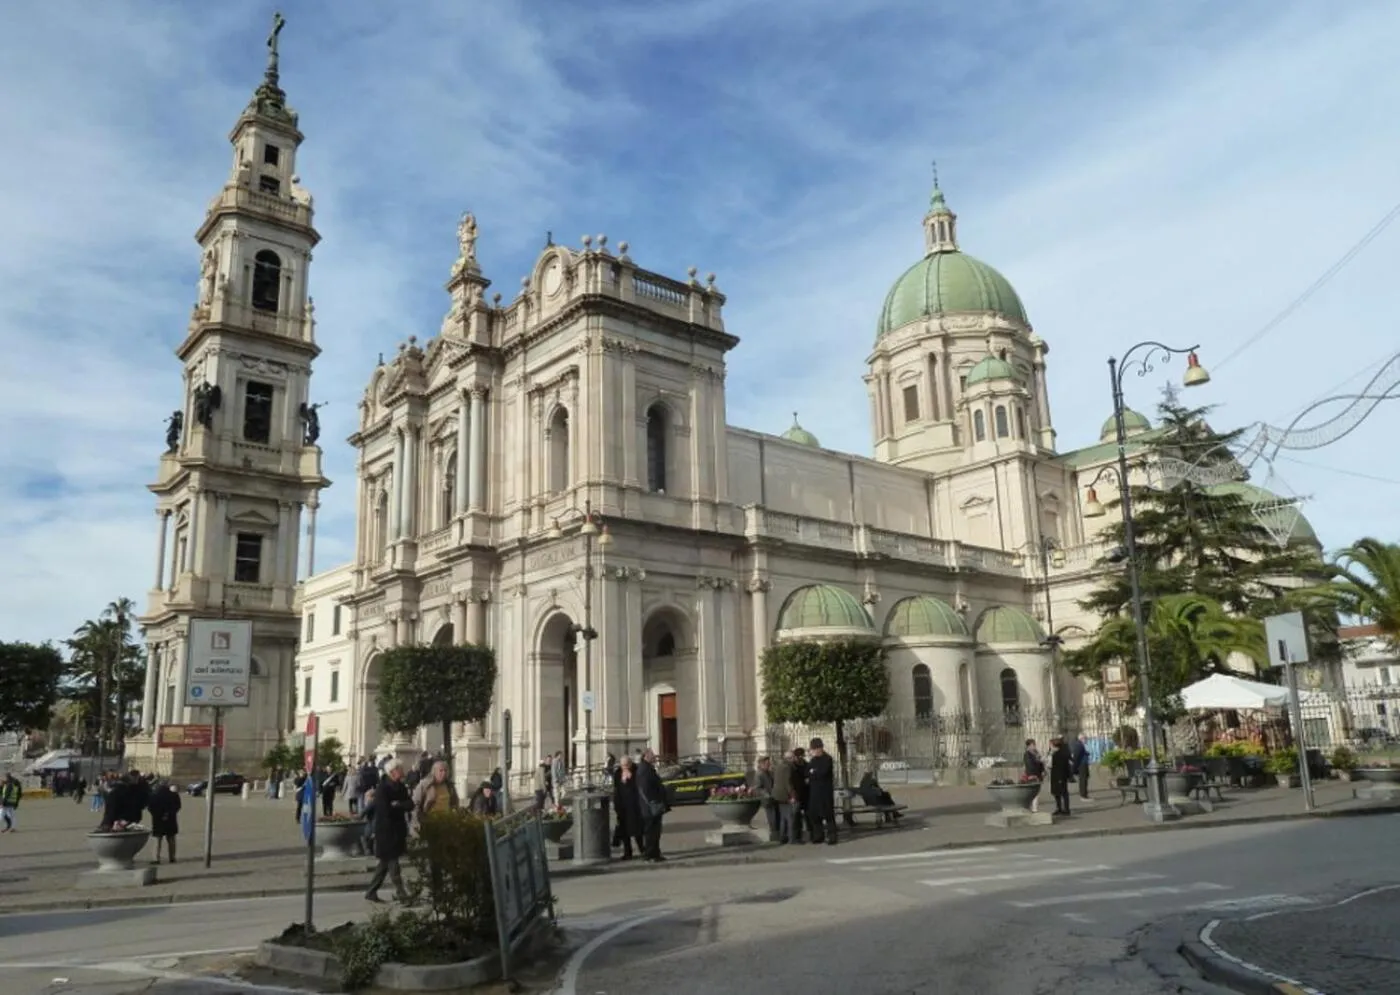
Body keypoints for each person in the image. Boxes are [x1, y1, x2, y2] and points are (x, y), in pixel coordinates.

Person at [365, 762, 413, 903]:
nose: (402, 771)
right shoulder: (383, 788)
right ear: (393, 771)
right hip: (386, 831)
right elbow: (385, 810)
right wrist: (399, 806)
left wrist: (398, 804)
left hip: (398, 830)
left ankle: (371, 891)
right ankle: (402, 894)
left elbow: (410, 804)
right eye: (400, 769)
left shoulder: (401, 786)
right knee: (393, 865)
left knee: (384, 865)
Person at [635, 748, 668, 863]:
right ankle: (649, 854)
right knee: (651, 832)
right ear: (646, 756)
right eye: (652, 755)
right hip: (650, 806)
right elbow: (645, 789)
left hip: (650, 805)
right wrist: (654, 800)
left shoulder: (647, 768)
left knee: (655, 831)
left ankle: (655, 853)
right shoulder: (645, 769)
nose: (654, 757)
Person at [805, 738, 838, 846]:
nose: (813, 751)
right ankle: (818, 836)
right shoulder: (813, 760)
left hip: (825, 792)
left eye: (814, 749)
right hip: (814, 792)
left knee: (828, 814)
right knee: (815, 815)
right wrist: (813, 773)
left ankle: (832, 836)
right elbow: (808, 773)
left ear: (820, 748)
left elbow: (822, 773)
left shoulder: (827, 759)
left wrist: (813, 773)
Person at [611, 756, 644, 858]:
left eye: (626, 765)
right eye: (622, 765)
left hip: (634, 806)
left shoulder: (636, 771)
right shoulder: (618, 773)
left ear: (630, 764)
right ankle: (627, 852)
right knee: (624, 831)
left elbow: (638, 787)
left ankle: (642, 849)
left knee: (637, 830)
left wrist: (630, 780)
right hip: (622, 806)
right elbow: (616, 789)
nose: (624, 767)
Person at [148, 781, 182, 863]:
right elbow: (178, 806)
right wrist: (169, 814)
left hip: (157, 819)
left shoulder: (154, 795)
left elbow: (150, 807)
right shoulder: (174, 795)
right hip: (171, 819)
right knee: (171, 839)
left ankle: (156, 858)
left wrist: (157, 814)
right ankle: (172, 857)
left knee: (157, 839)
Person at [1049, 736, 1073, 816]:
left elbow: (1062, 767)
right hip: (1055, 776)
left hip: (1060, 777)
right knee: (1057, 793)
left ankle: (1066, 809)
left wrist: (1061, 778)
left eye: (1051, 745)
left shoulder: (1060, 754)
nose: (1050, 747)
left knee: (1063, 793)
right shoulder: (1054, 754)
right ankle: (1059, 808)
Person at [1023, 739, 1045, 814]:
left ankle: (1035, 808)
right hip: (1032, 775)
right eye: (1033, 745)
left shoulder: (1036, 753)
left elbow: (1041, 763)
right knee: (1031, 792)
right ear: (1028, 746)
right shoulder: (1027, 754)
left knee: (1037, 792)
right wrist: (1038, 762)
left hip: (1038, 775)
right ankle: (1031, 808)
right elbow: (1030, 765)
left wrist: (1042, 770)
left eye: (1034, 744)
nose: (1034, 746)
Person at [1071, 734, 1092, 800]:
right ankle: (1083, 796)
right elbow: (1076, 756)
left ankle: (1084, 794)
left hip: (1083, 764)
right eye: (1085, 738)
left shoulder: (1080, 745)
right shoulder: (1079, 745)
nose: (1086, 740)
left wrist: (1086, 753)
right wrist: (1075, 767)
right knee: (1083, 780)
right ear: (1082, 738)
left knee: (1084, 780)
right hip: (1082, 765)